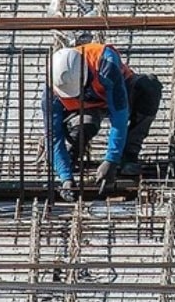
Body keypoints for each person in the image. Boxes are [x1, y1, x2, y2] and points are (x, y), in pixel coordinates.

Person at [45, 43, 162, 200]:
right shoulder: (52, 90)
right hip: (85, 109)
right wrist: (65, 177)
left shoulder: (105, 63)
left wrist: (111, 159)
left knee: (149, 87)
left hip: (119, 92)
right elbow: (53, 137)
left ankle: (128, 155)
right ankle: (70, 156)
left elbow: (119, 116)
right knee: (83, 127)